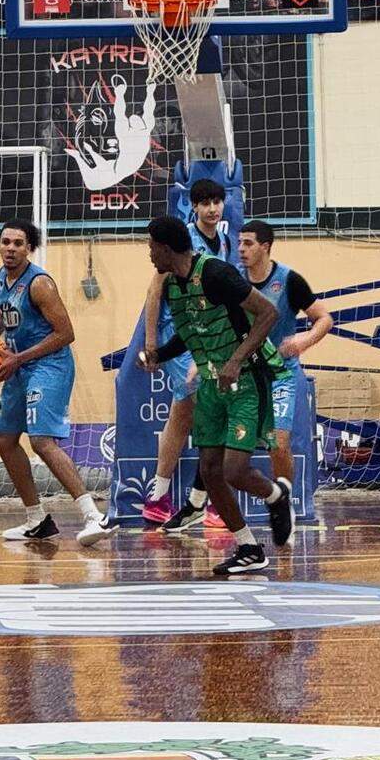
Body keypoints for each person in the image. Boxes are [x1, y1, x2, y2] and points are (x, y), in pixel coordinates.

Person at [143, 215, 294, 576]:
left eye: (150, 247)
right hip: (211, 384)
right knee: (210, 472)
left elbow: (268, 313)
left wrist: (236, 359)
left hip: (245, 377)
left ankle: (276, 495)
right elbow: (189, 332)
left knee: (234, 470)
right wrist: (158, 354)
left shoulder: (215, 273)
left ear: (164, 248)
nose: (148, 254)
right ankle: (248, 547)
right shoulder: (175, 286)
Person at [0, 219, 111, 546]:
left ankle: (94, 516)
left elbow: (66, 334)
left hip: (49, 365)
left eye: (18, 243)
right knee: (4, 437)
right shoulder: (0, 277)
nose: (11, 248)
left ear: (29, 248)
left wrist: (18, 358)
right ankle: (37, 519)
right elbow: (1, 313)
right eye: (6, 242)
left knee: (41, 440)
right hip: (19, 365)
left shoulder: (40, 283)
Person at [142, 178, 234, 531]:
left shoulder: (223, 240)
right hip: (178, 333)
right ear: (193, 207)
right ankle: (200, 499)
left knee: (183, 415)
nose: (212, 209)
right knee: (202, 407)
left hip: (206, 333)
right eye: (205, 203)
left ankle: (164, 497)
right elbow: (154, 291)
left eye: (217, 202)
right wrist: (152, 345)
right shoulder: (183, 241)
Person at [238, 220, 333, 487]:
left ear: (265, 247)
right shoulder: (233, 278)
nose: (241, 249)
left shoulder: (289, 279)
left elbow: (324, 318)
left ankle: (284, 501)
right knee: (229, 443)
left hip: (280, 373)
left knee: (278, 442)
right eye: (239, 243)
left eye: (248, 243)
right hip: (244, 373)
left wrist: (305, 340)